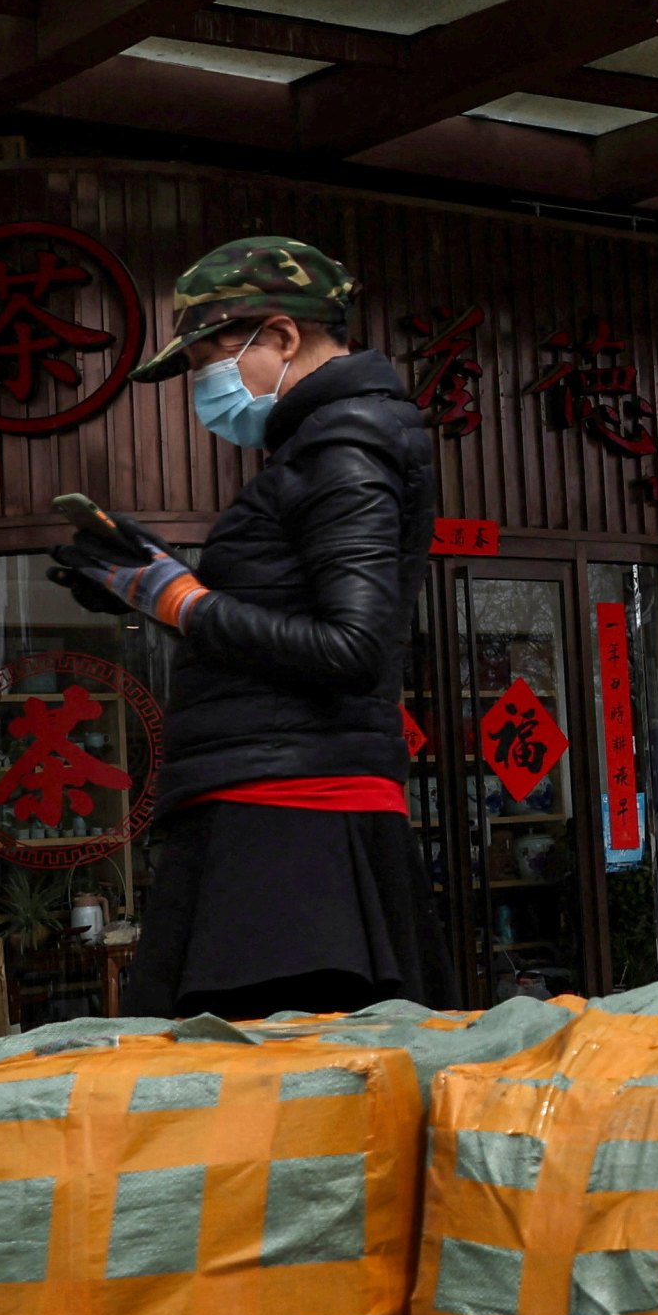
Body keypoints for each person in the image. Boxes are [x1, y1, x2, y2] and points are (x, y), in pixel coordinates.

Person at [61, 237, 446, 1019]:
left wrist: (182, 601)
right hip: (284, 805)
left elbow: (352, 647)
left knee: (273, 1089)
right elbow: (293, 623)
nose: (201, 383)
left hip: (295, 828)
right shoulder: (319, 446)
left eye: (208, 354)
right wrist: (158, 586)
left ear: (281, 336)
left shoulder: (343, 446)